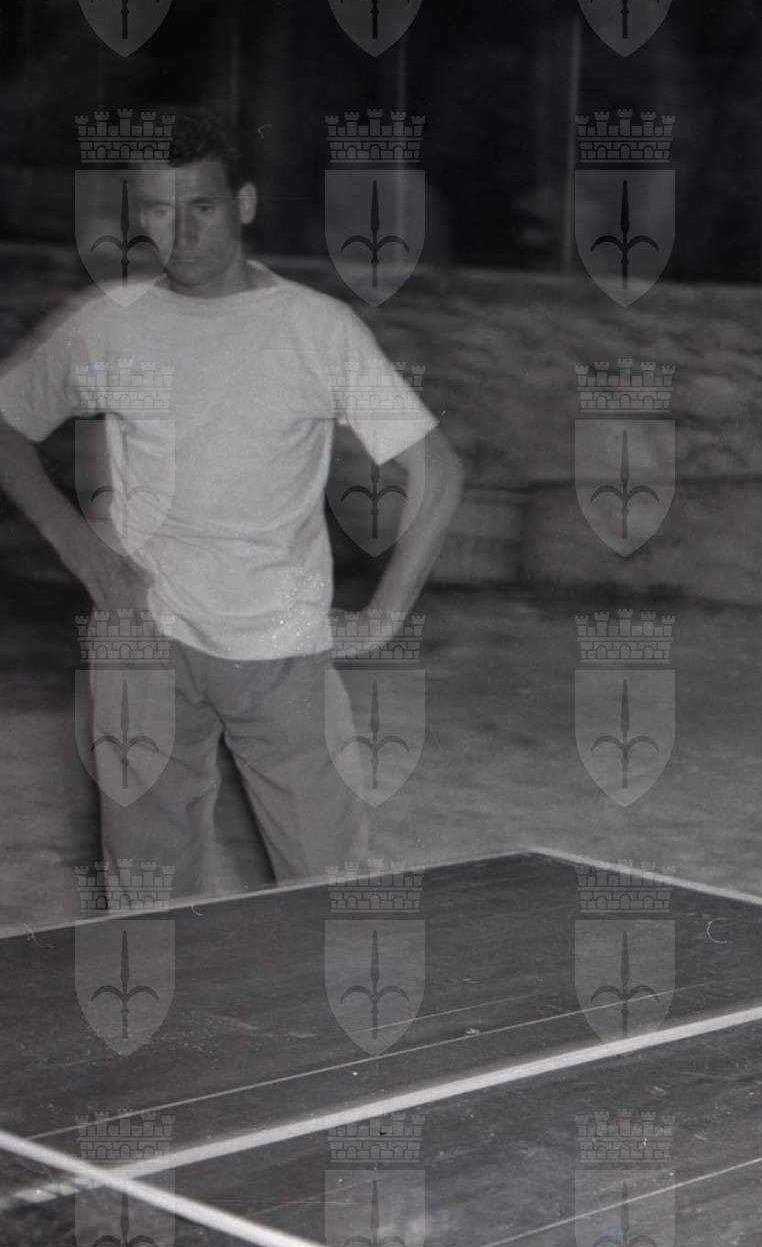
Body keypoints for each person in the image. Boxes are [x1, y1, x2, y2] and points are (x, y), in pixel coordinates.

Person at [0, 105, 463, 900]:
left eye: (203, 206)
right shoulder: (110, 325)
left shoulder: (314, 329)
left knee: (329, 897)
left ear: (243, 203)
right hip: (143, 643)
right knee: (148, 910)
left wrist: (385, 614)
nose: (180, 233)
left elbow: (440, 471)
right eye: (159, 210)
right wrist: (85, 555)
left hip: (279, 644)